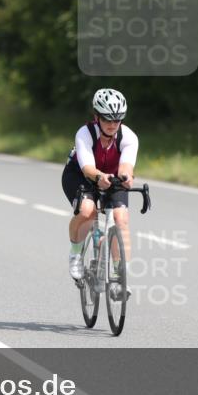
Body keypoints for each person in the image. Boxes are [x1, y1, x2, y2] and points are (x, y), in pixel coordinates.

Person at [61, 88, 139, 281]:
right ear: (97, 117)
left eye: (117, 119)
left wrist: (126, 177)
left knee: (121, 218)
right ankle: (75, 253)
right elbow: (88, 168)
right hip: (80, 175)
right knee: (88, 211)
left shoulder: (128, 137)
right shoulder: (85, 133)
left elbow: (126, 166)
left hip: (111, 177)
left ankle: (117, 272)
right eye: (107, 119)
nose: (113, 124)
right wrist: (99, 177)